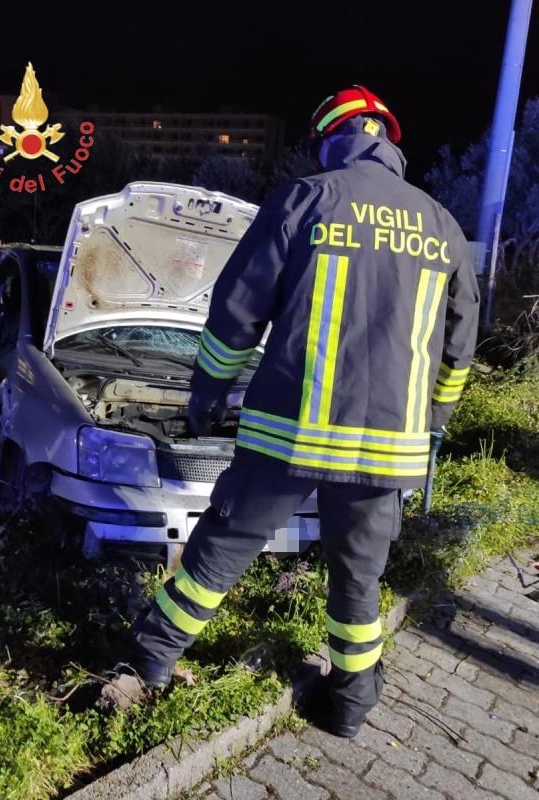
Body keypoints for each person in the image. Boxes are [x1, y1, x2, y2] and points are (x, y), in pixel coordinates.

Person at [126, 85, 480, 737]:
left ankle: (147, 662)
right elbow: (458, 348)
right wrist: (433, 424)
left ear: (333, 136)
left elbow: (238, 309)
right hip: (389, 449)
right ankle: (348, 705)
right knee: (359, 579)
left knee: (222, 550)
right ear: (387, 140)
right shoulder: (442, 226)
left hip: (291, 436)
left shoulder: (306, 198)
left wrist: (210, 390)